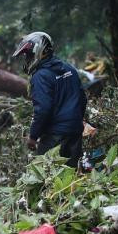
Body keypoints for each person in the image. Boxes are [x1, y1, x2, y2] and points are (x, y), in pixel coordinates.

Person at [12, 31, 85, 165]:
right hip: (75, 132)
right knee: (71, 177)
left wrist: (33, 136)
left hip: (55, 136)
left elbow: (43, 109)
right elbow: (82, 98)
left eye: (28, 55)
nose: (27, 59)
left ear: (39, 52)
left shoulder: (41, 76)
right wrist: (77, 122)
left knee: (44, 178)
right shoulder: (70, 69)